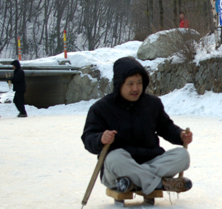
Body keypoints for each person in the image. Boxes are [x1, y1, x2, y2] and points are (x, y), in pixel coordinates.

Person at [81, 56, 193, 196]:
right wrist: (100, 138)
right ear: (119, 84)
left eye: (139, 83)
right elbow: (88, 137)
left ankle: (133, 181)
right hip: (120, 167)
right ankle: (158, 183)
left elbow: (165, 126)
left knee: (182, 155)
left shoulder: (152, 104)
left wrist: (180, 135)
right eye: (130, 84)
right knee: (114, 158)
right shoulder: (101, 108)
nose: (136, 88)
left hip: (150, 160)